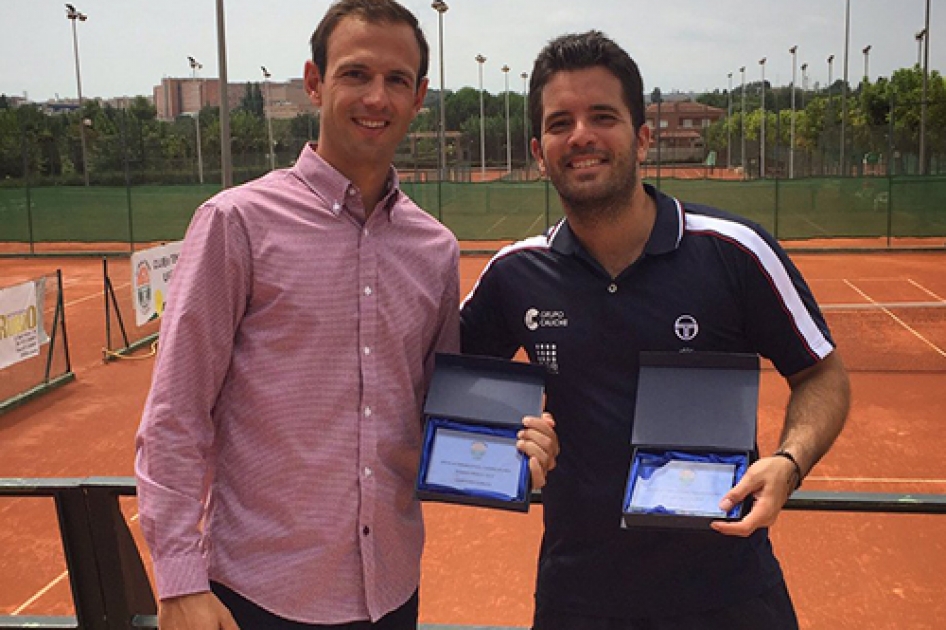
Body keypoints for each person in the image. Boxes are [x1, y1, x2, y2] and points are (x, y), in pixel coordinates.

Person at [134, 2, 557, 629]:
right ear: (314, 81)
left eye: (395, 81)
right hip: (258, 596)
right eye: (355, 74)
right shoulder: (236, 223)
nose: (375, 97)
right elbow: (175, 414)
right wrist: (177, 583)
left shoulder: (434, 250)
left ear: (419, 97)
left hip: (387, 593)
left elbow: (428, 409)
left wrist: (513, 449)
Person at [460, 31, 850, 630]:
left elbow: (821, 373)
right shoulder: (515, 275)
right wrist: (507, 447)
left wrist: (789, 462)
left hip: (730, 595)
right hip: (578, 600)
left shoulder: (734, 251)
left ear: (642, 138)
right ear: (540, 151)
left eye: (603, 116)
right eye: (561, 122)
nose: (582, 135)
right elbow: (445, 390)